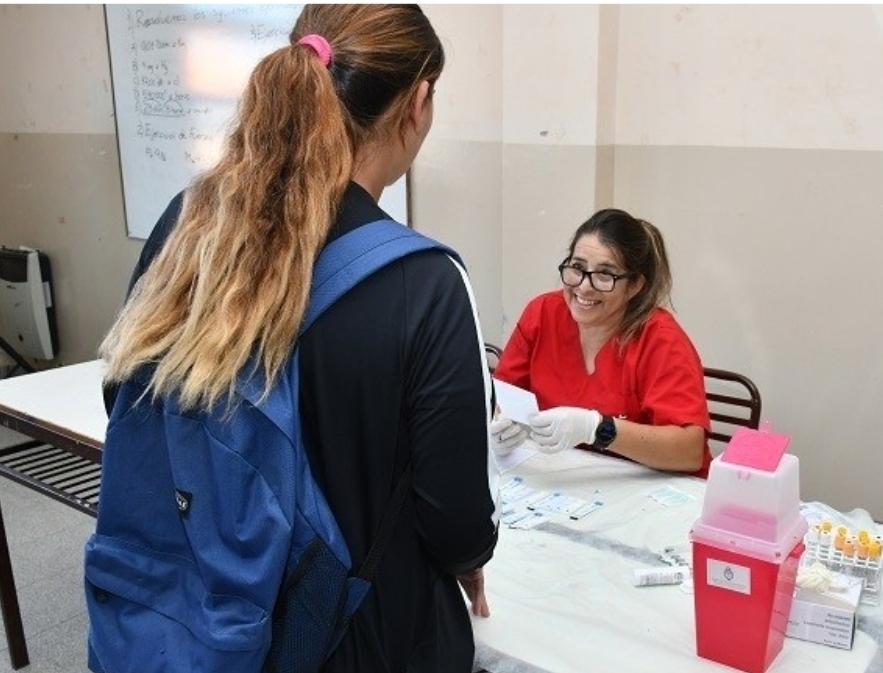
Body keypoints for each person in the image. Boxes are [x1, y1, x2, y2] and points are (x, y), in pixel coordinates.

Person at [99, 5, 497, 672]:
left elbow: (128, 396)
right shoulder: (425, 283)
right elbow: (453, 520)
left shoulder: (188, 222)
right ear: (418, 102)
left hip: (201, 599)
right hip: (354, 632)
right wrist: (467, 560)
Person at [491, 207, 712, 478]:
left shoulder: (660, 339)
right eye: (577, 268)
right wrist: (498, 426)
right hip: (565, 479)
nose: (584, 287)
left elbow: (689, 451)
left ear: (635, 286)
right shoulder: (543, 313)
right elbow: (500, 396)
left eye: (605, 275)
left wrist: (598, 429)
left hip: (647, 488)